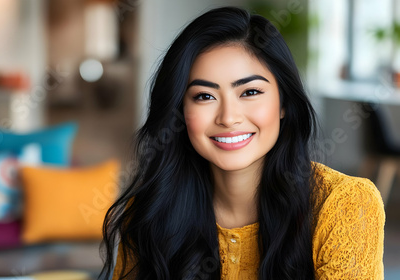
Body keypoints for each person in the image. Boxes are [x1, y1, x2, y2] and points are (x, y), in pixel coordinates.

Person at [99, 6, 385, 280]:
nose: (228, 117)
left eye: (249, 91)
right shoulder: (151, 210)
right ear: (179, 111)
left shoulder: (344, 205)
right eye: (204, 96)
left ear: (284, 103)